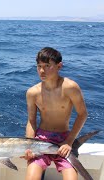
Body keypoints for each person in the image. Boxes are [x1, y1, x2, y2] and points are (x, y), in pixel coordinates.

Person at [23, 47, 88, 180]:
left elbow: (82, 114)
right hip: (40, 140)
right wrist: (29, 145)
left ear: (59, 66)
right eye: (39, 66)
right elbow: (31, 121)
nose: (42, 70)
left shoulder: (70, 87)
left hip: (64, 139)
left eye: (47, 66)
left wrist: (69, 142)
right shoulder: (32, 92)